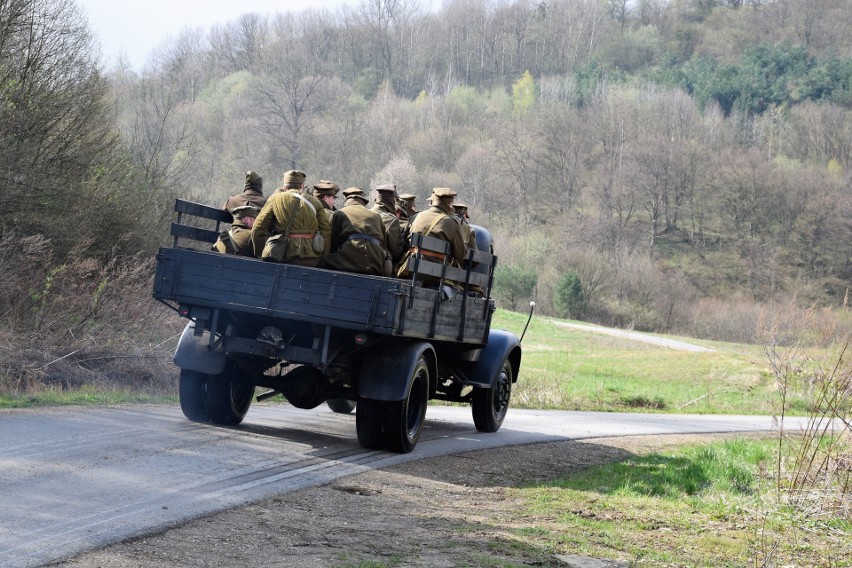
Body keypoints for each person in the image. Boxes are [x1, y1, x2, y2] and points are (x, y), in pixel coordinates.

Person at [251, 170, 331, 266]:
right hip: (311, 257)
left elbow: (258, 228)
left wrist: (260, 253)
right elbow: (326, 232)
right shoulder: (315, 202)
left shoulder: (275, 199)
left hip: (282, 255)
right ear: (302, 185)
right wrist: (323, 258)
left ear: (285, 186)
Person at [397, 187, 467, 285]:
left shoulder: (416, 217)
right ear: (450, 204)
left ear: (433, 202)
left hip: (411, 270)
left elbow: (404, 244)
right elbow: (460, 255)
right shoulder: (451, 223)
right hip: (437, 275)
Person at [323, 187, 391, 276]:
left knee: (323, 264)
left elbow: (334, 243)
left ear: (346, 200)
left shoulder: (340, 213)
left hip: (348, 259)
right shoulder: (376, 215)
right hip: (375, 262)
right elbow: (383, 244)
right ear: (362, 200)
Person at [213, 171, 267, 256]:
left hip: (234, 239)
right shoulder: (267, 202)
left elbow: (224, 210)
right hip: (255, 242)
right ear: (260, 185)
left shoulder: (232, 200)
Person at [370, 183, 403, 264]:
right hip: (378, 265)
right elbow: (396, 253)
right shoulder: (391, 220)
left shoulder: (366, 213)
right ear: (392, 200)